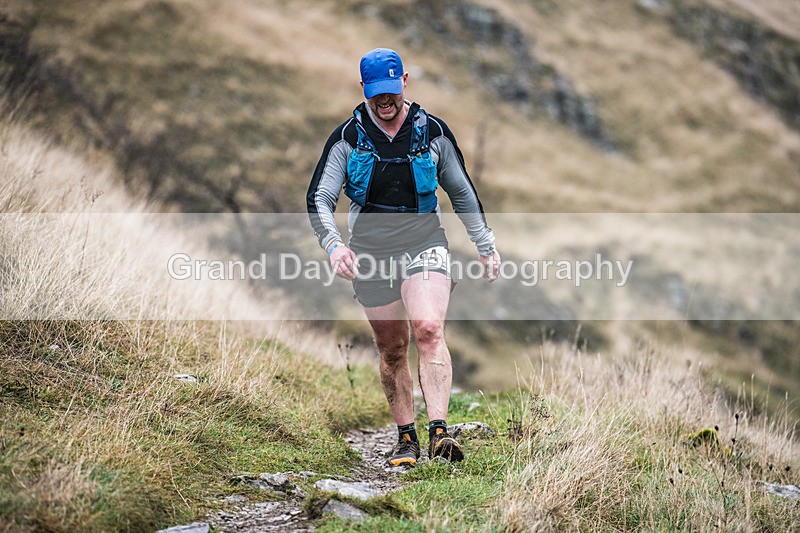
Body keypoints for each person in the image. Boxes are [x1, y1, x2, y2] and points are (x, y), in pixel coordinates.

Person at [307, 48, 500, 466]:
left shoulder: (431, 132)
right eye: (377, 94)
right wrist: (334, 245)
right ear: (364, 90)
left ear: (405, 83)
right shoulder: (348, 138)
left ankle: (440, 435)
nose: (386, 101)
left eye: (392, 92)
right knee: (392, 348)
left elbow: (462, 192)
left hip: (423, 241)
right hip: (370, 252)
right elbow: (319, 198)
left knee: (429, 328)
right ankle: (406, 439)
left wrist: (485, 244)